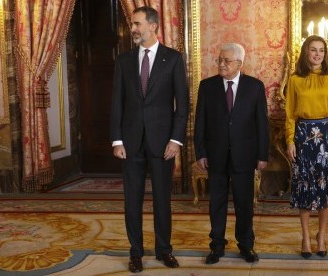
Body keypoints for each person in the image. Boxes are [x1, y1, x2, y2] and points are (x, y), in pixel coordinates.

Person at [110, 6, 189, 273]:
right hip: (130, 144)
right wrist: (117, 140)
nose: (133, 28)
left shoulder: (174, 59)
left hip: (162, 143)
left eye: (137, 24)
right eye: (133, 24)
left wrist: (176, 140)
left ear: (153, 26)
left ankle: (164, 250)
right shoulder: (124, 61)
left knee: (162, 200)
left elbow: (183, 105)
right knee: (132, 200)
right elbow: (117, 105)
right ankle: (136, 252)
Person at [194, 43, 269, 265]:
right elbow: (200, 123)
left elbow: (261, 124)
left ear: (239, 63)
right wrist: (200, 152)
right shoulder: (206, 86)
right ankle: (216, 246)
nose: (221, 64)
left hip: (244, 155)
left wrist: (262, 155)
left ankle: (246, 245)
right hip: (215, 156)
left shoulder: (255, 87)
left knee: (244, 203)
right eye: (219, 60)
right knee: (216, 202)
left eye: (226, 61)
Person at [285, 35, 328, 259]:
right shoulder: (295, 79)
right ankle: (305, 237)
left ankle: (321, 236)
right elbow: (290, 114)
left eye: (321, 50)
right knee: (305, 189)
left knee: (325, 190)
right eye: (313, 50)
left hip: (326, 138)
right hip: (303, 137)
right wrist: (290, 140)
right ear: (305, 52)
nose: (318, 54)